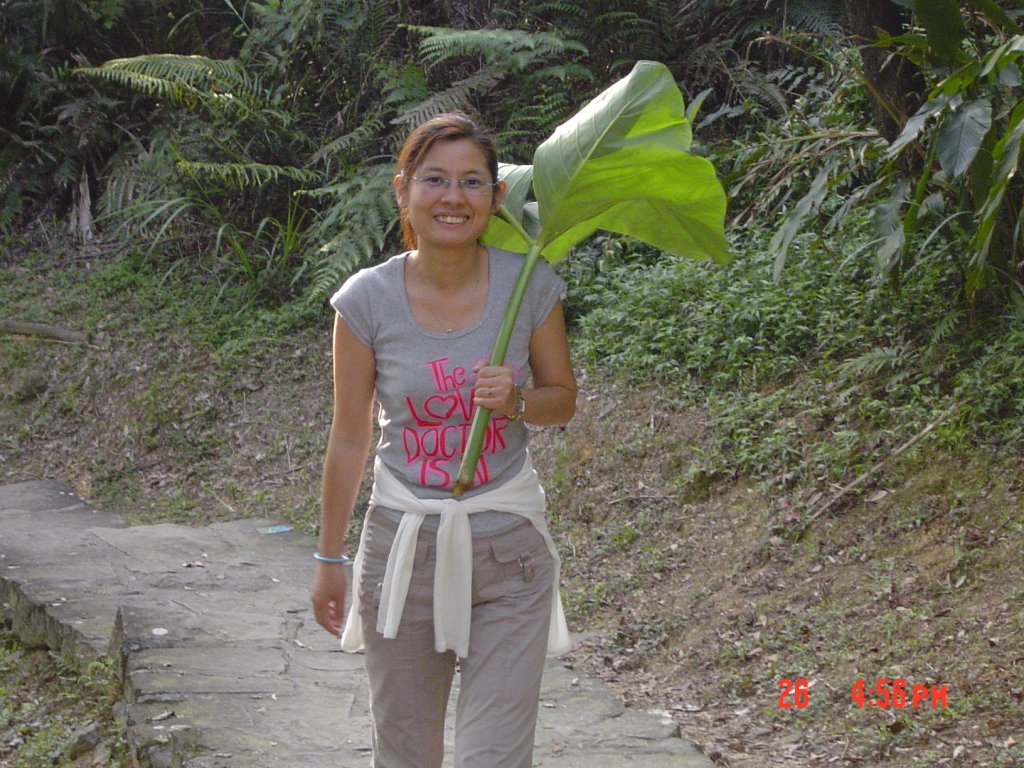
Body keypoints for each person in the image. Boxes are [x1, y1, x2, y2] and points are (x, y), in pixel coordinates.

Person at [309, 111, 577, 768]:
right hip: (402, 547)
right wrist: (328, 558)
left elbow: (561, 400)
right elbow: (348, 439)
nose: (453, 197)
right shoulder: (365, 302)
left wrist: (516, 400)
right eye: (434, 180)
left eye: (471, 182)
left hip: (509, 551)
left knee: (494, 755)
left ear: (497, 196)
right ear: (402, 190)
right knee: (404, 754)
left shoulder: (530, 285)